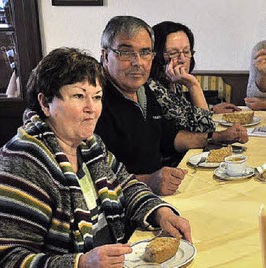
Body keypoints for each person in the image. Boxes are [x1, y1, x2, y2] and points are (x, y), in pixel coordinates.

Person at [0, 47, 191, 267]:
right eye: (79, 96)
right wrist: (80, 263)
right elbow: (0, 260)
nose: (91, 108)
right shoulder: (20, 163)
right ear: (45, 103)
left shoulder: (90, 146)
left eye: (97, 97)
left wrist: (161, 212)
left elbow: (126, 185)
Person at [95, 16, 248, 195]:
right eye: (126, 52)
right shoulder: (94, 100)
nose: (138, 62)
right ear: (105, 56)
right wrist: (149, 181)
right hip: (126, 204)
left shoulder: (143, 90)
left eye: (145, 52)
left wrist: (216, 137)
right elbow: (94, 176)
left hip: (157, 193)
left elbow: (169, 137)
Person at [149, 21, 240, 133]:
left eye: (187, 51)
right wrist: (193, 85)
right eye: (173, 53)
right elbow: (206, 130)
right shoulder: (154, 89)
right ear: (156, 55)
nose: (182, 59)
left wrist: (212, 110)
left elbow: (185, 113)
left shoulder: (172, 82)